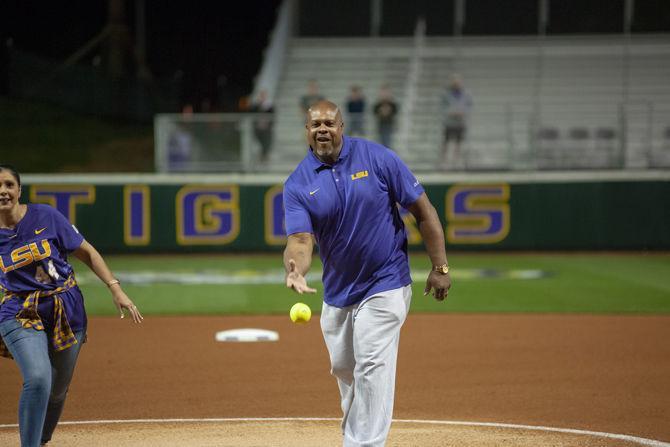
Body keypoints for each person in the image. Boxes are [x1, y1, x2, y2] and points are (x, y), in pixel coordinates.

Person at [282, 101, 451, 446]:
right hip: (339, 291)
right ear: (307, 132)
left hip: (386, 281)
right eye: (316, 124)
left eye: (330, 122)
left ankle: (363, 443)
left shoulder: (378, 159)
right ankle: (356, 430)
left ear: (342, 126)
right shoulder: (298, 183)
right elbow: (300, 239)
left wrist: (440, 266)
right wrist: (296, 269)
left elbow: (423, 209)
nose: (323, 129)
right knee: (345, 368)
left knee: (372, 365)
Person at [0, 165, 143, 447]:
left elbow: (87, 252)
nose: (2, 191)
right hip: (19, 310)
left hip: (67, 307)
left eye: (8, 185)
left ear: (19, 190)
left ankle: (40, 440)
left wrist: (115, 288)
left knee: (57, 389)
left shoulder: (47, 216)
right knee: (38, 378)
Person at [440, 74, 473, 166]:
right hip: (449, 123)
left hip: (460, 123)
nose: (456, 84)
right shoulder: (446, 94)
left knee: (458, 144)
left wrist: (463, 113)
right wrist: (450, 112)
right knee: (446, 143)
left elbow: (469, 106)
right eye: (454, 82)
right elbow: (442, 107)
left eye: (458, 82)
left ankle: (456, 162)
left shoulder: (466, 94)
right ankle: (444, 162)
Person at [249, 89, 275, 163]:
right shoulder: (256, 106)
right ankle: (262, 156)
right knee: (260, 142)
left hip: (266, 129)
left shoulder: (269, 106)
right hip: (258, 128)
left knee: (266, 142)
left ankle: (264, 156)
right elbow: (252, 113)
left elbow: (272, 117)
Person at [373, 84, 399, 148]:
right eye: (383, 92)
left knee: (388, 141)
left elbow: (395, 112)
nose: (385, 94)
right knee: (380, 141)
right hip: (380, 125)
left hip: (389, 125)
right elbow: (374, 112)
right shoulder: (378, 104)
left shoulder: (392, 104)